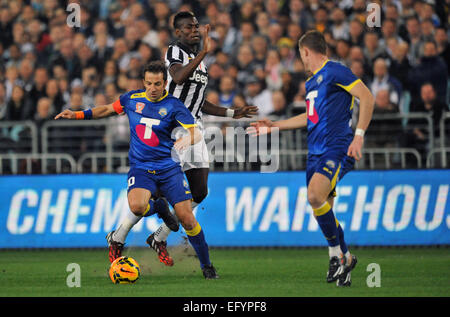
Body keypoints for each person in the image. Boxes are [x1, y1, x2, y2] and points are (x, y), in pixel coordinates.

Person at [54, 61, 218, 279]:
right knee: (138, 206)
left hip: (169, 169)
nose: (153, 88)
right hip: (141, 168)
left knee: (187, 219)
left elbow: (196, 132)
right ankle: (158, 206)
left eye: (157, 84)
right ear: (144, 82)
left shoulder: (174, 105)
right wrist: (77, 115)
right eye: (149, 83)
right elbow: (106, 109)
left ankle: (207, 266)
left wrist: (187, 139)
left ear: (165, 83)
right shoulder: (131, 99)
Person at [249, 31, 374, 287]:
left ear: (306, 51)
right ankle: (346, 258)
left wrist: (358, 135)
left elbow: (368, 97)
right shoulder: (311, 82)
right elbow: (310, 117)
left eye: (301, 55)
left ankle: (334, 256)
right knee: (321, 206)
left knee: (315, 195)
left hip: (336, 148)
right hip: (315, 152)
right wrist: (275, 125)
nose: (301, 60)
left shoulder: (335, 71)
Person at [145, 11, 258, 267]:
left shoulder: (200, 64)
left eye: (196, 26)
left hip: (194, 127)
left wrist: (232, 113)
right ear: (178, 32)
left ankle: (159, 236)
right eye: (188, 27)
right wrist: (203, 52)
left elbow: (199, 102)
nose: (194, 29)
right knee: (157, 190)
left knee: (200, 191)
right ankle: (121, 234)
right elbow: (177, 77)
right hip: (173, 127)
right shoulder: (174, 52)